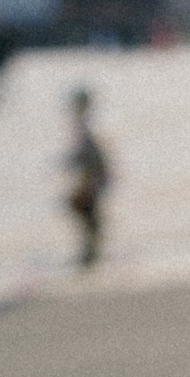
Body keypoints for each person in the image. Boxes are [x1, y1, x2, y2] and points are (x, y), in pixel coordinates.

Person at [64, 87, 111, 270]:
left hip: (91, 177)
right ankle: (91, 253)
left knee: (89, 215)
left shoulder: (86, 126)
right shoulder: (83, 124)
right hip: (91, 177)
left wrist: (91, 178)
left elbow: (92, 154)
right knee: (88, 216)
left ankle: (91, 254)